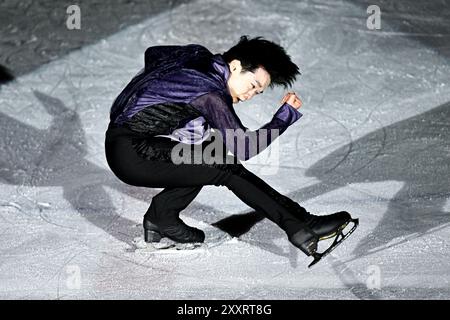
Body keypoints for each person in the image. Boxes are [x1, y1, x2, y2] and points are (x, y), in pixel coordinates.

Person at [105, 35, 358, 267]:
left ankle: (163, 218)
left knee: (206, 153)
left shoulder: (197, 55)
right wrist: (283, 118)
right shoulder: (210, 94)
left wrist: (176, 110)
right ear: (235, 65)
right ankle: (303, 226)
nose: (250, 95)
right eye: (253, 85)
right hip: (132, 154)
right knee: (227, 168)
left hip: (127, 141)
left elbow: (155, 53)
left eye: (258, 92)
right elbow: (244, 147)